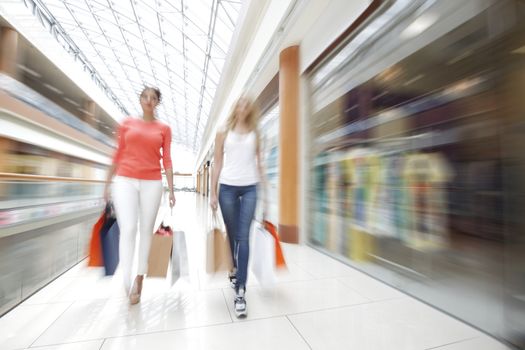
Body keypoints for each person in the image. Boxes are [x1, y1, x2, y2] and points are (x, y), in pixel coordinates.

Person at [103, 87, 175, 305]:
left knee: (145, 231)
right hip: (124, 180)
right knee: (129, 229)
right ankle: (126, 280)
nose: (149, 101)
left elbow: (167, 160)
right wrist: (107, 184)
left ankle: (139, 277)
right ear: (140, 99)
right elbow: (117, 154)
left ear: (157, 103)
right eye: (145, 96)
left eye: (154, 98)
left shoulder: (164, 128)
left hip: (152, 182)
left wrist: (172, 190)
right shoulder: (127, 123)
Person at [210, 96, 266, 318]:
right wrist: (212, 192)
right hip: (227, 188)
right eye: (239, 104)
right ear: (235, 108)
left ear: (250, 109)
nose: (243, 108)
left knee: (244, 237)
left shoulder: (256, 133)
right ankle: (233, 268)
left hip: (251, 187)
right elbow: (217, 163)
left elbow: (260, 163)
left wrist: (267, 196)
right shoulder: (223, 132)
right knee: (232, 234)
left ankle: (240, 289)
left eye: (247, 105)